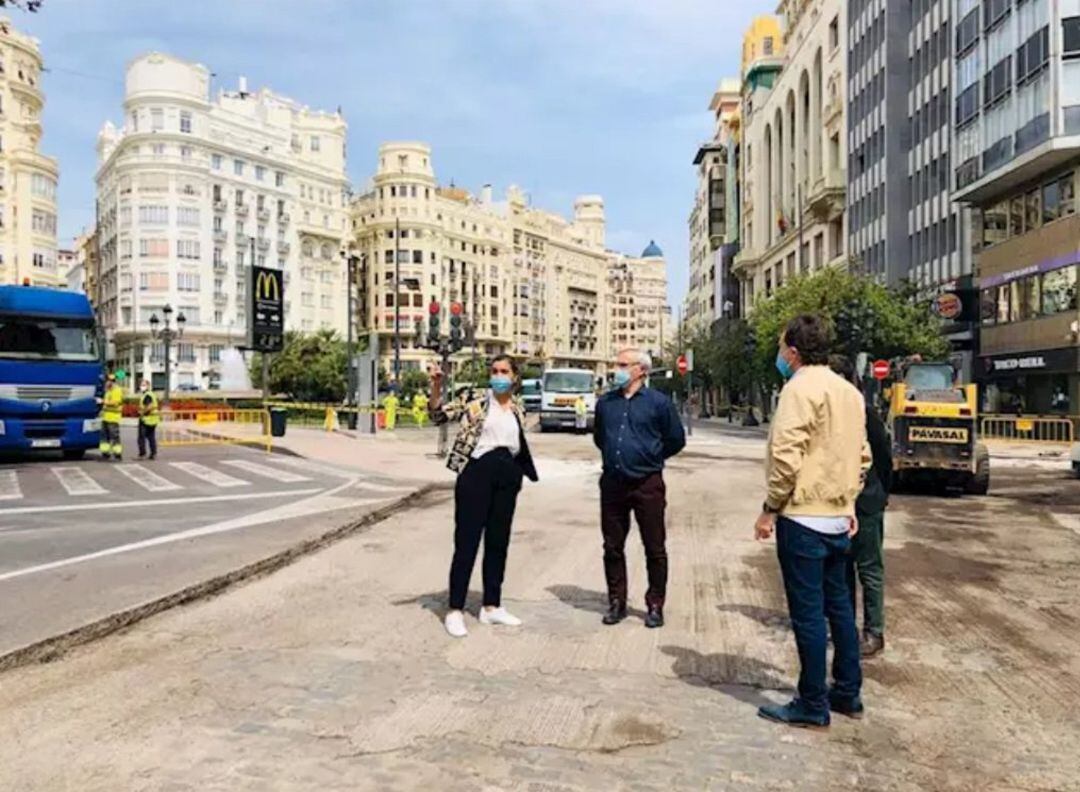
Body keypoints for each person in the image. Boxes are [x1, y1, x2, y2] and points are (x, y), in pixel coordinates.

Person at [755, 315, 869, 729]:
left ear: (794, 351)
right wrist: (850, 502)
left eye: (782, 347)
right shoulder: (848, 391)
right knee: (839, 608)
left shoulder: (799, 389)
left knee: (807, 614)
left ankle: (811, 701)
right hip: (839, 516)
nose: (780, 355)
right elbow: (863, 455)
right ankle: (847, 692)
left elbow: (787, 457)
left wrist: (770, 507)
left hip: (803, 516)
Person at [430, 355, 538, 638]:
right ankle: (455, 609)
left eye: (504, 371)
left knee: (498, 541)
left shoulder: (519, 407)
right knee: (467, 541)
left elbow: (518, 443)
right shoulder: (474, 399)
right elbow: (438, 415)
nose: (498, 376)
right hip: (476, 472)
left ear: (515, 377)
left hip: (507, 475)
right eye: (494, 371)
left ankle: (491, 606)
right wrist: (437, 387)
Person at [593, 348, 686, 628]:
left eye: (622, 365)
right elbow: (601, 437)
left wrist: (650, 456)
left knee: (654, 547)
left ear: (641, 370)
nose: (616, 369)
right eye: (615, 364)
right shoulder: (606, 403)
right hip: (613, 483)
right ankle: (617, 602)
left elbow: (676, 440)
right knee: (612, 546)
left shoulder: (658, 403)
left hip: (648, 484)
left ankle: (655, 604)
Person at [830, 356, 891, 659]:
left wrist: (878, 496)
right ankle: (846, 627)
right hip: (839, 503)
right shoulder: (833, 413)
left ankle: (874, 631)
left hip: (866, 502)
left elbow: (883, 457)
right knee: (841, 569)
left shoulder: (865, 413)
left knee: (869, 568)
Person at [99, 372, 124, 461]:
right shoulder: (108, 391)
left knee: (114, 437)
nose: (106, 383)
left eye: (108, 381)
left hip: (113, 418)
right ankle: (105, 453)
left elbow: (115, 403)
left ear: (112, 381)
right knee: (104, 437)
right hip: (106, 417)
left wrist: (103, 402)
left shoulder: (116, 390)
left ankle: (117, 454)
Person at [137, 379, 160, 460]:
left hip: (146, 419)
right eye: (141, 385)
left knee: (141, 438)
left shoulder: (147, 395)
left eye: (143, 385)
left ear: (148, 386)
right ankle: (153, 453)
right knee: (151, 437)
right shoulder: (151, 394)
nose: (141, 387)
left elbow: (149, 406)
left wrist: (142, 412)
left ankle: (142, 454)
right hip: (153, 420)